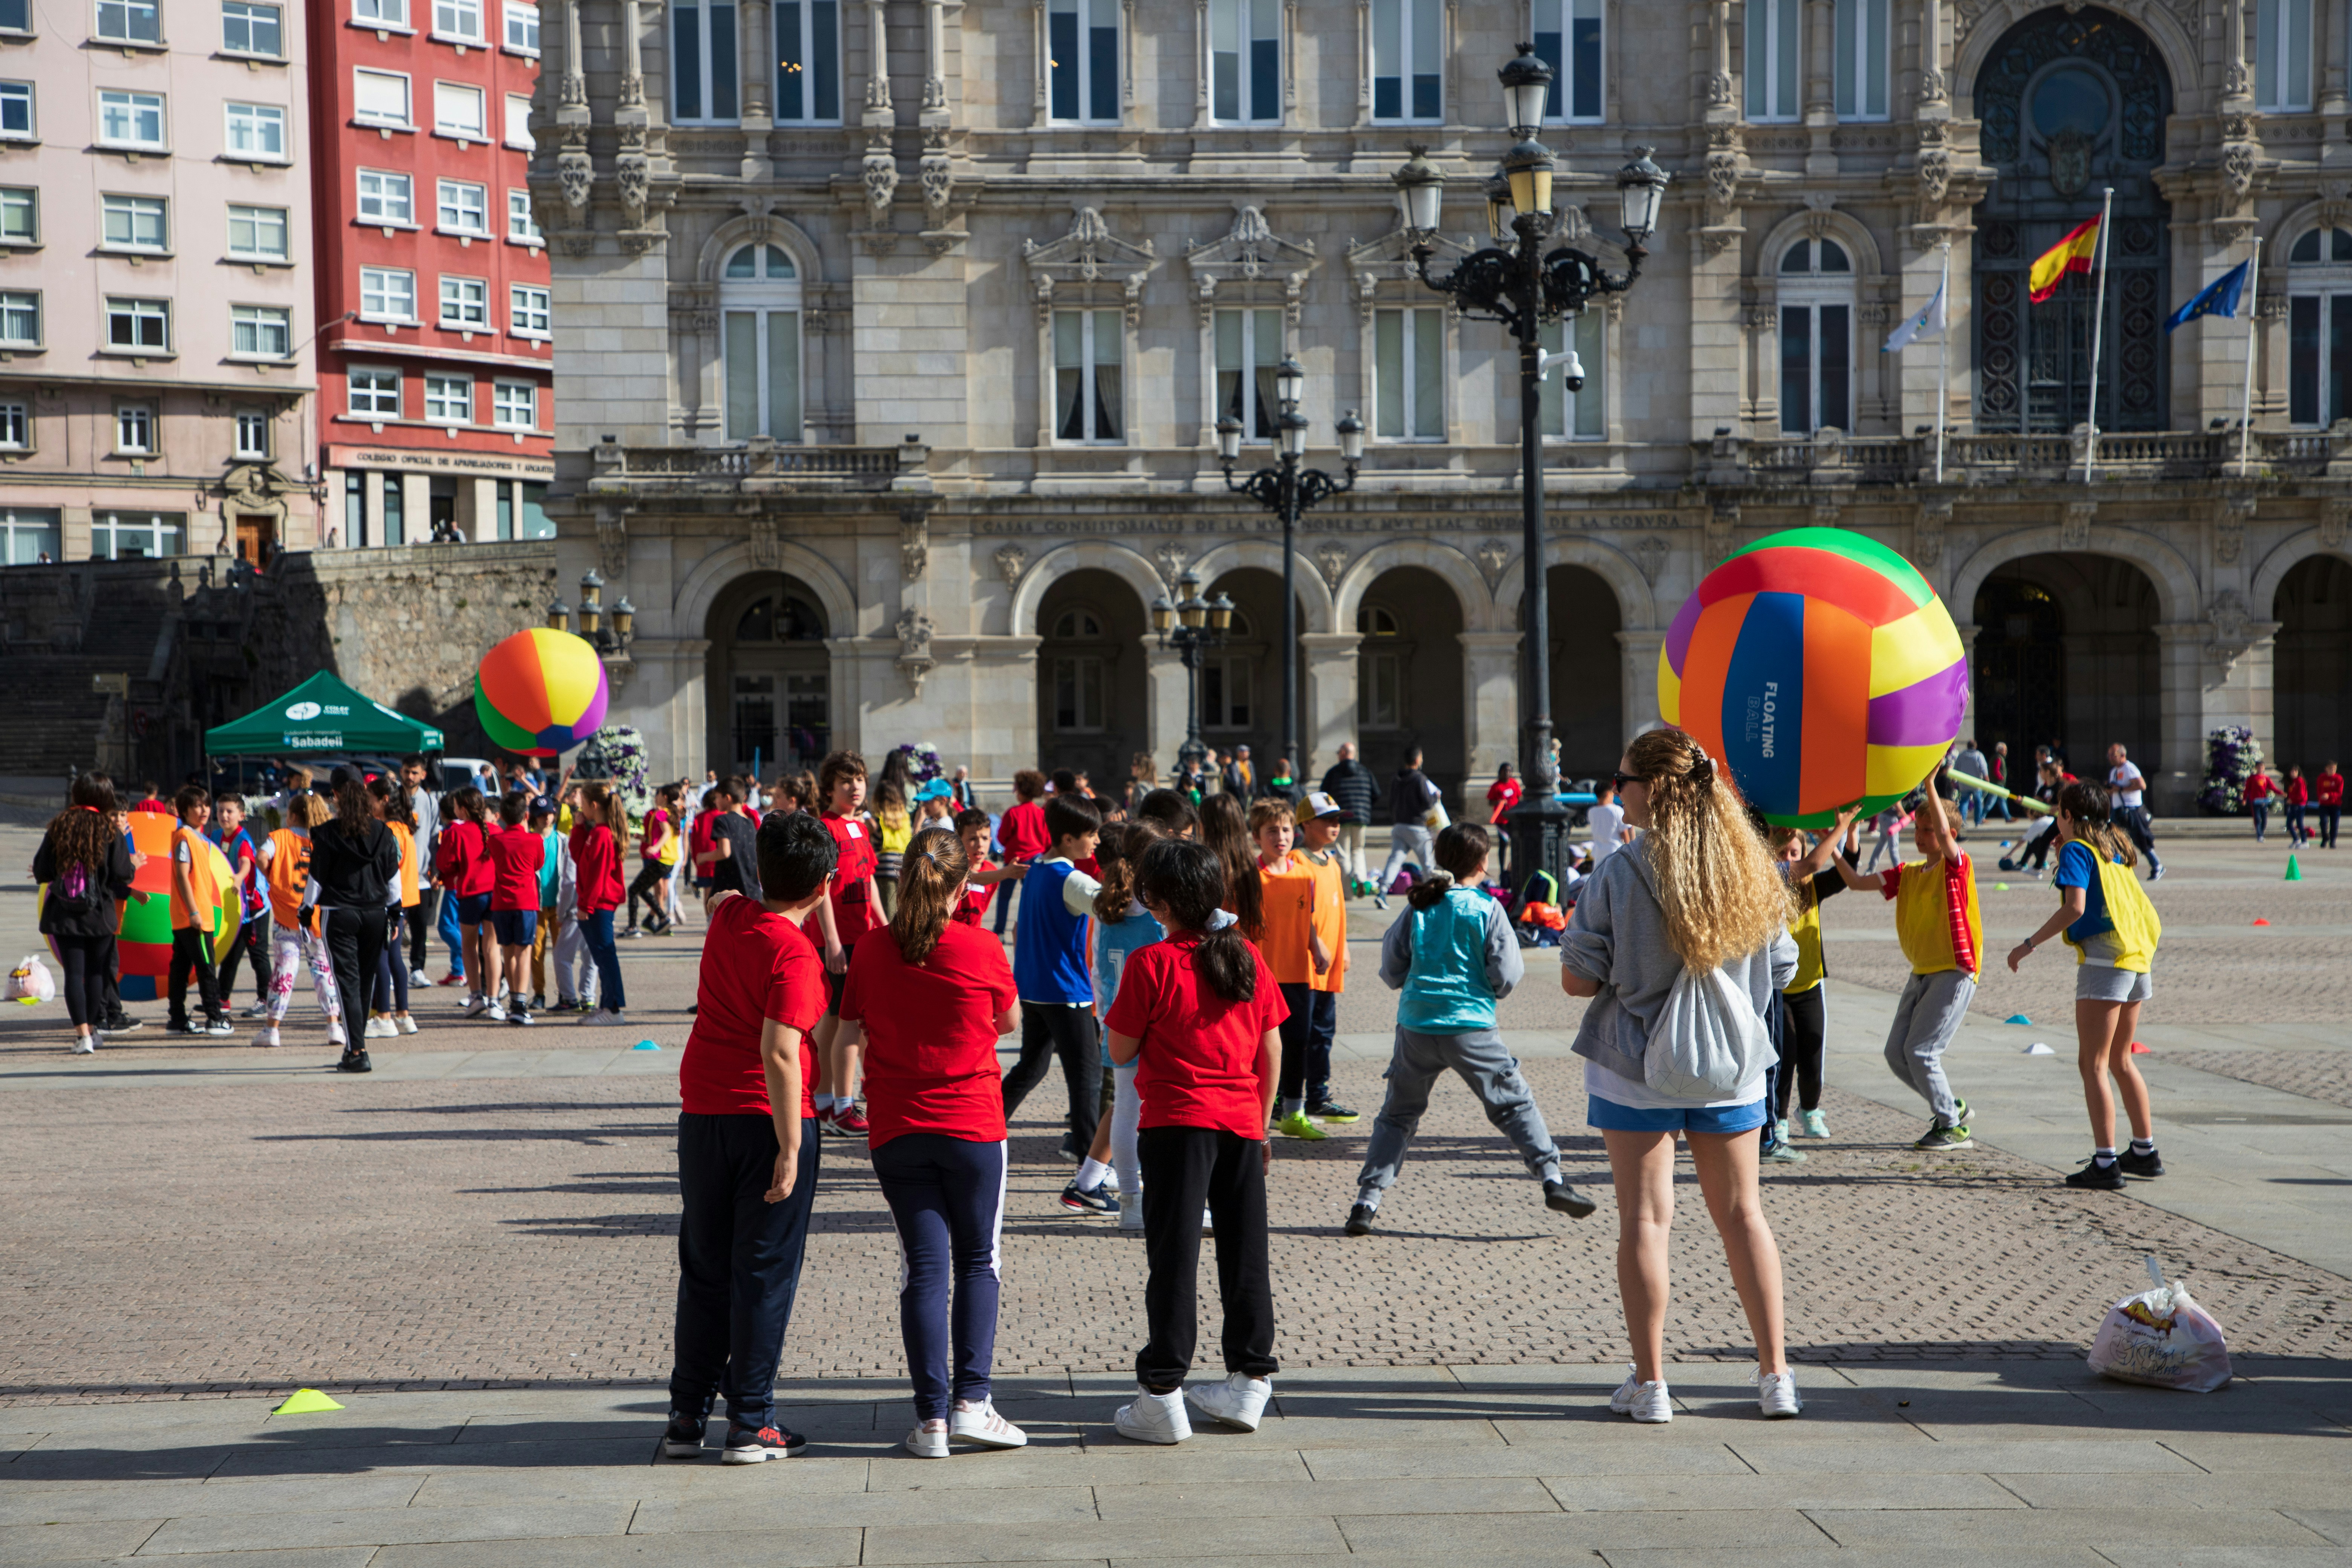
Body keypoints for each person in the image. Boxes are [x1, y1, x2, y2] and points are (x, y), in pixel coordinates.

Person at [1559, 728, 1803, 1423]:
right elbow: (1782, 967)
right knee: (1744, 1216)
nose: (1616, 788)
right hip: (1729, 1067)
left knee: (1645, 1219)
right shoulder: (1748, 866)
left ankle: (1652, 1382)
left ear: (1653, 790)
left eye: (1624, 777)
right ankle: (1775, 1375)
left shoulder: (1619, 871)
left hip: (1636, 1063)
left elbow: (1580, 978)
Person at [837, 827, 1029, 1458]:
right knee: (979, 1260)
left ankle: (932, 1421)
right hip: (972, 1121)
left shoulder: (870, 949)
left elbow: (849, 1027)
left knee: (924, 1268)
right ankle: (972, 1401)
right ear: (960, 884)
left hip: (898, 1125)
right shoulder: (979, 947)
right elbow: (1009, 1021)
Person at [661, 811, 837, 1465]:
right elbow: (781, 1053)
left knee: (705, 1267)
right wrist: (791, 1147)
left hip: (702, 1114)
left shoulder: (732, 917)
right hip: (765, 1120)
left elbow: (722, 894)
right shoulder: (796, 955)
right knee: (763, 1273)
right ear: (824, 886)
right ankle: (751, 1420)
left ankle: (687, 1413)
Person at [1101, 838, 1288, 1444]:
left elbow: (1120, 1050)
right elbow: (1272, 1046)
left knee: (1175, 1259)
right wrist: (1261, 1123)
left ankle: (1163, 1389)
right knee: (1244, 1252)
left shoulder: (1152, 963)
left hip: (1178, 1122)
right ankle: (1251, 1377)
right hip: (1239, 1118)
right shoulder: (1246, 957)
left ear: (1156, 900)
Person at [1349, 823, 1591, 1234]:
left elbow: (1391, 968)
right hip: (1471, 1025)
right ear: (1483, 863)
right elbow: (1508, 973)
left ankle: (1366, 1201)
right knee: (1513, 1104)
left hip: (1416, 1026)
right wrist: (1489, 990)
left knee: (1397, 1115)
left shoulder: (1419, 906)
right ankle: (1552, 1178)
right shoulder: (1486, 908)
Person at [2007, 781, 2166, 1191]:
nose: (2057, 818)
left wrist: (2029, 944)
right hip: (2136, 958)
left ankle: (2106, 1161)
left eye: (2060, 812)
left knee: (2092, 1064)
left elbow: (2075, 906)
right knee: (2121, 1059)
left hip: (2105, 960)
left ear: (2071, 818)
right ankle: (2145, 1152)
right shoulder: (2115, 846)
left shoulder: (2078, 850)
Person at [1827, 792, 1981, 1152]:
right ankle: (1951, 1107)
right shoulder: (1907, 873)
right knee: (1897, 1054)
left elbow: (1945, 838)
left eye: (1931, 830)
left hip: (1954, 971)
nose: (1923, 835)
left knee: (1922, 1052)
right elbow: (1855, 881)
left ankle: (1952, 1128)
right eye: (1920, 828)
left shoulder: (1957, 865)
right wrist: (1831, 845)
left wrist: (1929, 782)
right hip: (1921, 972)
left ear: (1950, 836)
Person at [1073, 820, 1166, 1225]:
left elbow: (1096, 966)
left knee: (1127, 1109)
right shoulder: (1157, 912)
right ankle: (1147, 1194)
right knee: (1149, 1112)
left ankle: (1130, 1201)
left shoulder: (1109, 902)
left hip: (1115, 1019)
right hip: (1155, 1021)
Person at [1003, 792, 1106, 1163]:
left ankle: (984, 1125)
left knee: (1032, 1066)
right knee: (1087, 1078)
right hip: (1067, 993)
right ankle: (1089, 1162)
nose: (1096, 841)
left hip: (1034, 989)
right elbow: (1112, 909)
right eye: (1091, 834)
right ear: (1067, 839)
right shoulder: (1073, 879)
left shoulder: (1035, 868)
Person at [1767, 819, 1859, 1147]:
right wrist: (1839, 828)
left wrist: (1852, 832)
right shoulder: (1769, 885)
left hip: (1810, 988)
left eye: (1796, 852)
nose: (1791, 859)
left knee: (1812, 1053)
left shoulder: (1814, 888)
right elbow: (1808, 863)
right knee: (1784, 1056)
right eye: (1783, 853)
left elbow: (1850, 871)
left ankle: (1810, 1112)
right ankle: (1778, 1119)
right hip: (1778, 993)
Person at [33, 775, 139, 1055]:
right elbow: (123, 874)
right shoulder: (109, 830)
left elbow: (42, 870)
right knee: (96, 974)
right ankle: (93, 1028)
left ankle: (82, 1036)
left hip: (64, 913)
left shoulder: (60, 827)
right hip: (100, 913)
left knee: (73, 974)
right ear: (105, 798)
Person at [1250, 799, 1335, 1142]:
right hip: (1260, 975)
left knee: (1297, 1042)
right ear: (1257, 836)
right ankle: (1259, 1111)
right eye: (1272, 831)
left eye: (1286, 830)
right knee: (1260, 1047)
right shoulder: (1250, 878)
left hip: (1298, 974)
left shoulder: (1305, 874)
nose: (1281, 837)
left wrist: (1317, 945)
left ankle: (1294, 1113)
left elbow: (1308, 918)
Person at [305, 780, 401, 1074]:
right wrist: (396, 914)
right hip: (375, 912)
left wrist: (306, 909)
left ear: (340, 803)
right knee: (364, 980)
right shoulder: (384, 832)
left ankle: (357, 1051)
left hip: (340, 912)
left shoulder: (328, 834)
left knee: (347, 981)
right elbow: (393, 878)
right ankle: (355, 1047)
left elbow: (317, 878)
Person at [811, 751, 882, 1138]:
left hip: (862, 935)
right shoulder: (827, 828)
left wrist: (886, 924)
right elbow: (821, 889)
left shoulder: (861, 827)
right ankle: (842, 1105)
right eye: (845, 781)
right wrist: (834, 942)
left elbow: (867, 879)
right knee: (850, 1023)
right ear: (829, 788)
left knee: (836, 1020)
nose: (854, 787)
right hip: (839, 941)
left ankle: (821, 1100)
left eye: (859, 779)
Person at [255, 792, 345, 1052]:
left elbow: (262, 857)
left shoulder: (280, 837)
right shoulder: (323, 838)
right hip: (316, 914)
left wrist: (272, 876)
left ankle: (272, 1029)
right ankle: (334, 1026)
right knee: (323, 970)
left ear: (291, 815)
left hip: (286, 915)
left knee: (284, 971)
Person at [1290, 792, 1357, 1127]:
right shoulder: (1296, 862)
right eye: (1327, 819)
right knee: (1299, 1037)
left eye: (1337, 819)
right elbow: (1300, 915)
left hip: (1327, 968)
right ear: (1306, 824)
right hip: (1303, 966)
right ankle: (1289, 1100)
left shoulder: (1331, 862)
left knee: (1323, 1034)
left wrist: (1343, 947)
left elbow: (1339, 911)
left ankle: (1319, 1095)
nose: (1335, 825)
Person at [165, 786, 234, 1038]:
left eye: (206, 805)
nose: (204, 810)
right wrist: (195, 911)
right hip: (195, 917)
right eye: (197, 806)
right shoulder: (185, 837)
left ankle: (177, 1019)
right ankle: (215, 1019)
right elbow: (183, 876)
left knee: (181, 968)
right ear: (185, 810)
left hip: (189, 915)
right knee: (206, 967)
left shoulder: (195, 837)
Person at [204, 794, 270, 1020]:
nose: (224, 815)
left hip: (254, 908)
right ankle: (222, 1000)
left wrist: (240, 878)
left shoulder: (244, 841)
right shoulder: (214, 836)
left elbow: (246, 864)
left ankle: (267, 1000)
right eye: (220, 810)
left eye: (229, 811)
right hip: (234, 907)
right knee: (231, 954)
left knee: (258, 954)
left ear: (242, 816)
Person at [364, 778, 421, 1038]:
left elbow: (389, 868)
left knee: (382, 958)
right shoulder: (403, 827)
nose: (368, 803)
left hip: (390, 901)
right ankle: (404, 1015)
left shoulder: (389, 830)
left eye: (371, 798)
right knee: (395, 957)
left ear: (384, 800)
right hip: (405, 899)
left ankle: (385, 1017)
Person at [435, 788, 499, 1017]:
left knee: (469, 948)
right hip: (495, 893)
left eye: (455, 806)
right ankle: (495, 1001)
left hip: (471, 894)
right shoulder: (495, 830)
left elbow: (445, 863)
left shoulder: (457, 832)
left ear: (462, 809)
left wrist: (446, 874)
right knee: (492, 948)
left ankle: (476, 996)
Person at [485, 790, 547, 1026]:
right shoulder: (534, 840)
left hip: (501, 903)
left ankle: (513, 1002)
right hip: (525, 903)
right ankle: (520, 1005)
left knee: (509, 952)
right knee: (524, 952)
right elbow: (538, 864)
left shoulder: (496, 840)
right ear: (526, 815)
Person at [571, 782, 629, 1024]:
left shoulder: (603, 834)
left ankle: (613, 1009)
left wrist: (587, 905)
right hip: (597, 902)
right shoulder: (596, 832)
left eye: (583, 803)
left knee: (605, 955)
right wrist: (578, 829)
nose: (580, 807)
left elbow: (598, 873)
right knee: (601, 954)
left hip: (599, 903)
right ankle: (608, 1005)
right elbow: (579, 857)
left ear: (594, 806)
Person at [1377, 747, 1439, 908]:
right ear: (1417, 760)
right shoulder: (1420, 778)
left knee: (1395, 860)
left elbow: (1391, 802)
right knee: (1427, 863)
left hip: (1399, 826)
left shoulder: (1397, 779)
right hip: (1418, 827)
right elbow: (1427, 802)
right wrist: (1436, 797)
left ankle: (1382, 892)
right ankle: (1432, 896)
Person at [992, 770, 1050, 937]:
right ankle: (1030, 929)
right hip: (1035, 860)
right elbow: (1046, 841)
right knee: (1032, 899)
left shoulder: (1013, 813)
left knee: (1004, 898)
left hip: (1014, 861)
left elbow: (1002, 838)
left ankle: (1000, 931)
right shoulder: (1041, 813)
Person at [1318, 741, 1378, 897]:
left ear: (1344, 754)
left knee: (1343, 853)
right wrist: (1366, 807)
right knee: (1358, 849)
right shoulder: (1365, 771)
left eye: (1339, 753)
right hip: (1361, 818)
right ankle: (1360, 878)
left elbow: (1323, 795)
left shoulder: (1333, 773)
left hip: (1342, 818)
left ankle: (1346, 893)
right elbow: (1376, 793)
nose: (1338, 756)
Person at [949, 807, 1024, 927]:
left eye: (985, 839)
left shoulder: (992, 871)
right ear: (958, 840)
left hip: (973, 934)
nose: (980, 845)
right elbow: (973, 877)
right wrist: (1005, 873)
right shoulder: (952, 867)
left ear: (991, 841)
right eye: (973, 839)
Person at [624, 785, 680, 937]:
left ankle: (634, 927)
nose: (656, 797)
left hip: (662, 859)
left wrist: (656, 848)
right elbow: (662, 835)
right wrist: (643, 839)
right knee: (639, 889)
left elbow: (667, 833)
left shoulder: (662, 813)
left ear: (665, 797)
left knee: (634, 890)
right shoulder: (672, 812)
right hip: (669, 861)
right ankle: (659, 919)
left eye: (658, 794)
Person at [2105, 743, 2164, 880]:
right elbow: (2113, 790)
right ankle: (2117, 867)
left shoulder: (2129, 769)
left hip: (2132, 811)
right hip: (2118, 811)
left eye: (2113, 755)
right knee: (2114, 838)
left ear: (2123, 755)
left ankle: (2157, 865)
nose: (2110, 759)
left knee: (2140, 840)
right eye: (2109, 756)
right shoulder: (2114, 771)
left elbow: (2142, 785)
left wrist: (2121, 789)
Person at [872, 780, 913, 919]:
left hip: (884, 866)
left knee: (888, 910)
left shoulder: (879, 818)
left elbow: (877, 845)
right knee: (901, 907)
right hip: (902, 863)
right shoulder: (906, 818)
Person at [1585, 780, 1627, 870]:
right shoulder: (1616, 810)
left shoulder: (1591, 812)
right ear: (1608, 794)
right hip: (1615, 851)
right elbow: (1624, 832)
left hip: (1598, 854)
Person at [1952, 738, 1990, 825]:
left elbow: (1955, 769)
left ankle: (1962, 821)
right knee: (1978, 802)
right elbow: (1984, 768)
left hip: (1964, 784)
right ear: (1976, 746)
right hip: (1976, 784)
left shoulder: (1961, 756)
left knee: (1964, 802)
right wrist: (1987, 779)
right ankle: (1978, 821)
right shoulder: (1979, 755)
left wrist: (1953, 780)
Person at [2242, 763, 2280, 843]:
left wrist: (2281, 793)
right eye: (2259, 767)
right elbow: (2247, 789)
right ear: (2256, 768)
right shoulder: (2252, 778)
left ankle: (2261, 833)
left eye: (2262, 767)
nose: (2261, 768)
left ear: (2264, 768)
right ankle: (2259, 835)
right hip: (2255, 801)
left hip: (2264, 801)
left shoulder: (2266, 778)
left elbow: (2273, 788)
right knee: (2257, 818)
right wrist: (2244, 799)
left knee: (2264, 819)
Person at [2317, 761, 2344, 850]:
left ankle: (2333, 841)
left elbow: (2339, 793)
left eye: (2334, 769)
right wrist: (2321, 798)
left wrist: (2329, 795)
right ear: (2326, 769)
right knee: (2323, 822)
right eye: (2331, 768)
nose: (2332, 770)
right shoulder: (2322, 778)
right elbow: (2319, 790)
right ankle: (2325, 838)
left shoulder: (2339, 778)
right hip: (2324, 805)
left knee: (2334, 824)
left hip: (2335, 805)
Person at [2285, 764, 2311, 847]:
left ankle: (2305, 842)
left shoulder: (2300, 781)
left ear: (2298, 772)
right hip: (2293, 805)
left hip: (2300, 805)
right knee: (2289, 824)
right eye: (2292, 771)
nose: (2293, 773)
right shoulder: (2293, 782)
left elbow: (2302, 795)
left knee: (2300, 824)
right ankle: (2296, 840)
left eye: (2295, 771)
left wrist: (2291, 799)